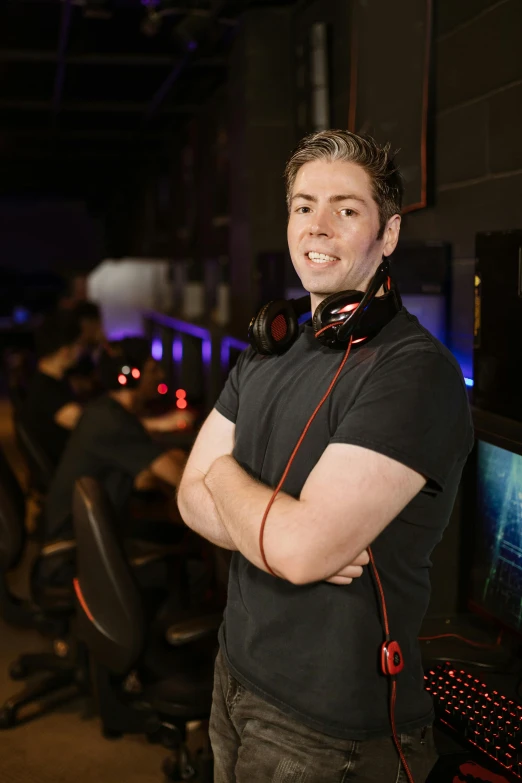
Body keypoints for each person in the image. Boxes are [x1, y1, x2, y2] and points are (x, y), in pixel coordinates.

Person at [177, 130, 474, 782]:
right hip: (236, 672)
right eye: (303, 205)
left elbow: (298, 549)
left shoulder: (413, 372)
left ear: (387, 235)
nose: (319, 225)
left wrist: (223, 475)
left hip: (329, 729)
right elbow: (186, 497)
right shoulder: (271, 346)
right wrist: (275, 527)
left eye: (346, 208)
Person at [44, 337, 187, 546]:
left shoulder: (105, 411)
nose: (162, 376)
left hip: (88, 531)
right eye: (153, 369)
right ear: (130, 375)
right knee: (188, 548)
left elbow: (143, 476)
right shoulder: (114, 423)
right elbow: (177, 478)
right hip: (76, 545)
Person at [21, 311, 83, 466]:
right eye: (79, 344)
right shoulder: (47, 391)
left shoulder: (47, 380)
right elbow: (88, 424)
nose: (82, 350)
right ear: (65, 351)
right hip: (66, 474)